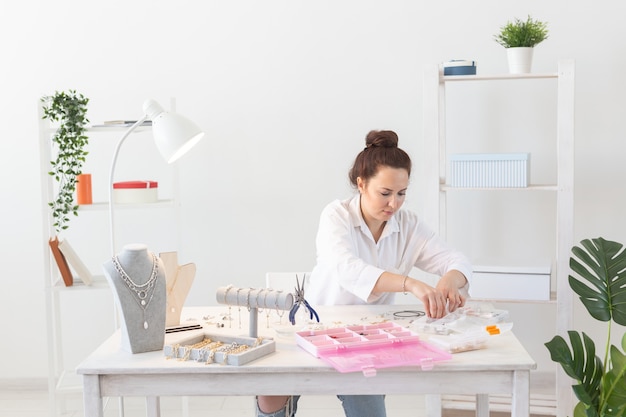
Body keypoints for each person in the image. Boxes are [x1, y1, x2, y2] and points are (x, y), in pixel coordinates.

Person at [256, 129, 472, 417]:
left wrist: (450, 280)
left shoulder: (407, 224)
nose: (393, 204)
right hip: (314, 327)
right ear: (361, 184)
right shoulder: (336, 215)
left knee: (368, 409)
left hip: (366, 338)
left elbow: (457, 260)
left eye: (401, 193)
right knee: (271, 389)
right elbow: (347, 269)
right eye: (385, 193)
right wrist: (410, 284)